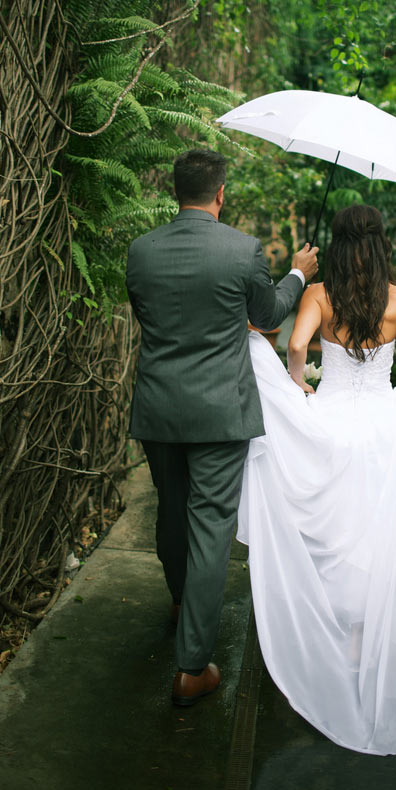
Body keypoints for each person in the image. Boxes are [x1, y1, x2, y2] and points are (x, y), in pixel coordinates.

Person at [236, 203, 396, 755]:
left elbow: (296, 346)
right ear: (380, 244)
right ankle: (364, 644)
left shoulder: (319, 294)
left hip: (331, 419)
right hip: (383, 427)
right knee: (376, 536)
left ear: (336, 243)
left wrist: (297, 389)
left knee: (331, 531)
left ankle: (332, 637)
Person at [125, 148, 319, 706]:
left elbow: (150, 318)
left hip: (159, 409)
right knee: (209, 524)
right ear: (220, 194)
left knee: (170, 509)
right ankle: (191, 667)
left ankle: (182, 603)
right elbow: (269, 315)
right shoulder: (242, 250)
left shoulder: (141, 252)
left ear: (174, 192)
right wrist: (297, 275)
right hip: (220, 411)